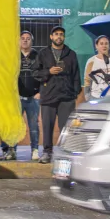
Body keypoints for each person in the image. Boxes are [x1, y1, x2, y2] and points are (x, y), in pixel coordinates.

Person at [32, 26, 80, 164]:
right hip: (48, 96)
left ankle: (65, 153)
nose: (59, 36)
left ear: (64, 37)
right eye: (56, 34)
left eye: (61, 34)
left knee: (66, 128)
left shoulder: (71, 54)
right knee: (47, 127)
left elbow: (76, 75)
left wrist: (75, 92)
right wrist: (49, 71)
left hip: (67, 97)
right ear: (51, 37)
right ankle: (47, 152)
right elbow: (35, 72)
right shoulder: (43, 53)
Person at [10, 30, 41, 161]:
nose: (25, 40)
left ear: (31, 41)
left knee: (34, 126)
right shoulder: (13, 56)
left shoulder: (38, 56)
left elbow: (43, 75)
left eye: (28, 38)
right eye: (23, 38)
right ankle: (12, 151)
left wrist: (40, 92)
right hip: (17, 98)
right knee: (15, 126)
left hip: (33, 97)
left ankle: (34, 150)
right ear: (19, 41)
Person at [84, 34, 110, 100]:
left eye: (106, 43)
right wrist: (88, 98)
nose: (104, 46)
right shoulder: (91, 61)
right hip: (97, 97)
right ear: (96, 46)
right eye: (101, 44)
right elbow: (87, 81)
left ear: (109, 45)